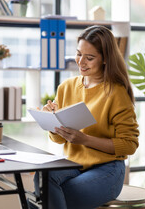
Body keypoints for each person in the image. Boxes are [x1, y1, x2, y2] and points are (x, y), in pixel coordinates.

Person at [30, 25, 139, 209]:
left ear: (105, 59)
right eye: (79, 54)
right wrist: (52, 121)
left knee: (43, 199)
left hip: (108, 169)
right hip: (74, 165)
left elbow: (129, 145)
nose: (81, 62)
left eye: (89, 58)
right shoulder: (67, 87)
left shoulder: (116, 93)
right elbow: (58, 140)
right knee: (42, 178)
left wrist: (85, 140)